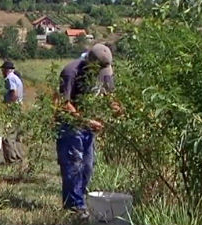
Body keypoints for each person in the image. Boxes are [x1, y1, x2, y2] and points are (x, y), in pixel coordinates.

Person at [56, 43, 117, 218]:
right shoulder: (71, 72)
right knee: (74, 164)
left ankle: (78, 201)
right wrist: (86, 120)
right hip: (70, 124)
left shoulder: (104, 71)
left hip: (88, 126)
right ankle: (75, 208)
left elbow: (110, 96)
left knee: (87, 166)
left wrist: (119, 111)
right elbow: (64, 104)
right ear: (90, 63)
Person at [0, 61, 24, 164]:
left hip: (13, 109)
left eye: (2, 70)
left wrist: (8, 106)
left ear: (6, 70)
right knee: (15, 136)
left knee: (7, 136)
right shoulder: (17, 78)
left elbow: (14, 93)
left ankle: (11, 161)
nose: (2, 72)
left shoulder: (9, 78)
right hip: (18, 108)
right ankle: (18, 158)